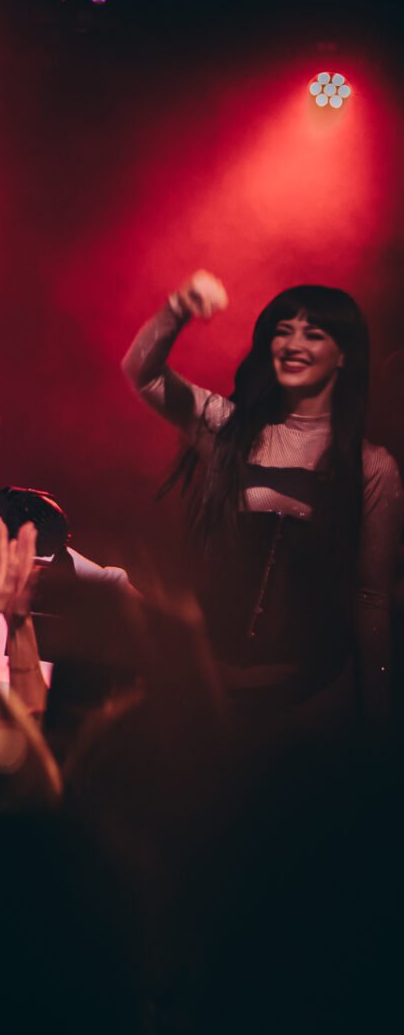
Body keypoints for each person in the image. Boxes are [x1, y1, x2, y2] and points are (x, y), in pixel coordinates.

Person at [123, 269, 401, 731]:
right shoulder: (227, 428)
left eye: (313, 334)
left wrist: (378, 726)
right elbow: (143, 373)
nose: (292, 344)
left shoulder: (370, 466)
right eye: (282, 331)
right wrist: (178, 308)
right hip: (208, 692)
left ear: (344, 356)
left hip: (306, 703)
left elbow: (371, 598)